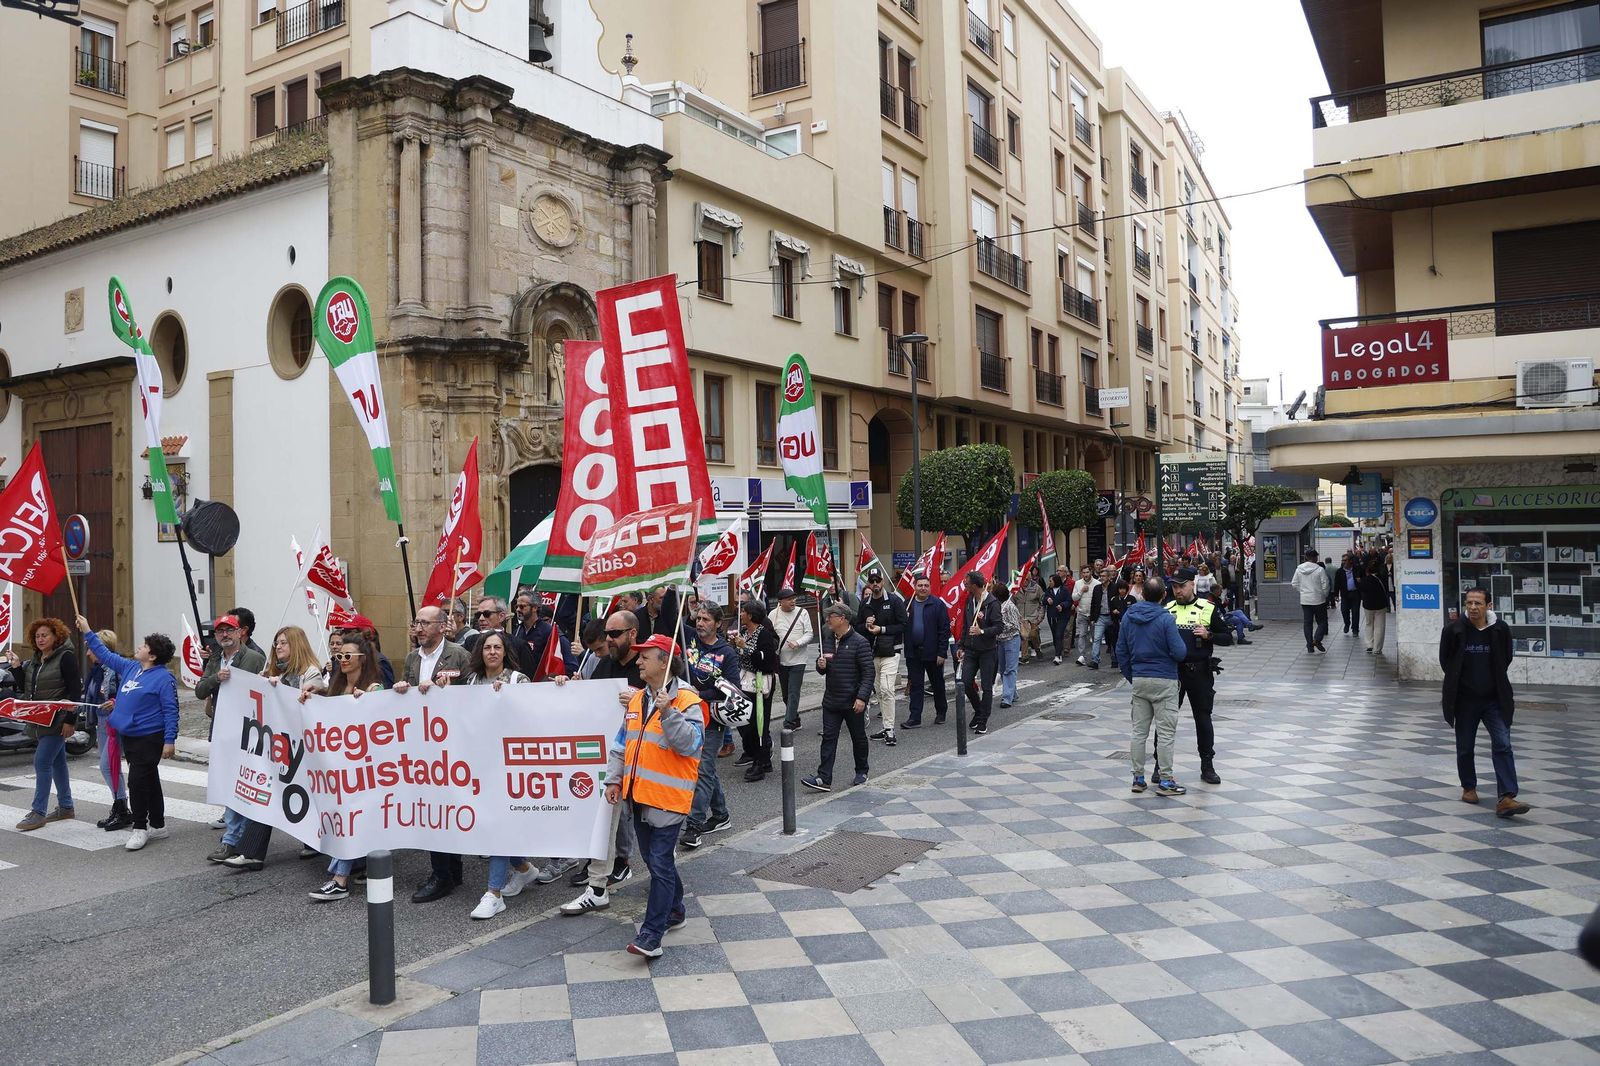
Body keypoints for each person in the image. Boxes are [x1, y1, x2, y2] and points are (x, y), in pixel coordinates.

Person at [604, 634, 705, 958]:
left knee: (659, 863)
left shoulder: (688, 701)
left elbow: (690, 744)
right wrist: (613, 780)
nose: (637, 662)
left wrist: (668, 713)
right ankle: (675, 910)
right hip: (639, 794)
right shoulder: (636, 700)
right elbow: (622, 744)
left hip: (669, 799)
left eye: (644, 657)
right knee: (652, 860)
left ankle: (651, 935)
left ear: (664, 661)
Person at [221, 627, 326, 872]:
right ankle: (252, 851)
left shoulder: (311, 673)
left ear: (296, 645)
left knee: (309, 796)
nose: (278, 647)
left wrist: (282, 691)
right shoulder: (275, 671)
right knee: (270, 792)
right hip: (280, 747)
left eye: (283, 643)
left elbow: (309, 705)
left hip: (304, 748)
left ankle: (315, 842)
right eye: (276, 643)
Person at [76, 617, 179, 850]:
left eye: (144, 646)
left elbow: (171, 710)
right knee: (149, 779)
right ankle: (159, 825)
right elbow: (105, 655)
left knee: (137, 781)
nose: (139, 647)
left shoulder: (164, 678)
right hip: (129, 735)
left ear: (152, 656)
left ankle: (140, 827)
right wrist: (87, 632)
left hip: (149, 736)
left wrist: (169, 740)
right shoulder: (131, 667)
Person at [395, 605, 474, 903]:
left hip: (452, 743)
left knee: (445, 806)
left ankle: (445, 872)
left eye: (425, 623)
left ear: (443, 626)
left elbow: (472, 693)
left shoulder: (459, 655)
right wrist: (402, 688)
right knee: (433, 806)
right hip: (423, 744)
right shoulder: (412, 658)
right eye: (417, 622)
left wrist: (449, 689)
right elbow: (408, 696)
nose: (419, 628)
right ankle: (447, 871)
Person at [304, 633, 383, 900]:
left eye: (347, 656)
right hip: (339, 769)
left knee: (350, 819)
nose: (342, 661)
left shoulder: (373, 689)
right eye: (339, 656)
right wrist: (317, 696)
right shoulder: (336, 688)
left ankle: (340, 879)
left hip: (365, 771)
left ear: (363, 659)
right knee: (345, 819)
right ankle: (352, 869)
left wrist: (370, 704)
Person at [1441, 588, 1529, 819]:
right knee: (1465, 746)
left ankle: (1507, 797)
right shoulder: (1454, 630)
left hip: (1494, 700)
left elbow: (1506, 658)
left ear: (1488, 605)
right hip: (1465, 700)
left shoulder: (1499, 629)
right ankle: (1469, 787)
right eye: (1469, 603)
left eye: (1478, 603)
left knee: (1503, 744)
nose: (1472, 607)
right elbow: (1446, 661)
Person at [1117, 578, 1189, 797]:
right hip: (1164, 679)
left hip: (1139, 679)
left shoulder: (1129, 616)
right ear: (1163, 596)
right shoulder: (1166, 619)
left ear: (1143, 594)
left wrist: (1132, 675)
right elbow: (1179, 653)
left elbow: (1121, 650)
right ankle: (1166, 780)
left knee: (1139, 732)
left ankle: (1138, 778)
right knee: (1166, 733)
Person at [10, 618, 81, 831]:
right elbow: (28, 689)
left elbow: (75, 691)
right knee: (57, 763)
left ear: (55, 636)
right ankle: (66, 807)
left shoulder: (65, 657)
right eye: (37, 636)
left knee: (41, 762)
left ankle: (38, 812)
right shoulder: (37, 659)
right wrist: (16, 668)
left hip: (58, 721)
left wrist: (70, 720)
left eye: (45, 635)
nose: (40, 639)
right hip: (40, 719)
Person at [1166, 568, 1232, 785]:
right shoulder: (1166, 609)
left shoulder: (1208, 608)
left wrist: (1209, 634)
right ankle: (1161, 765)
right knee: (1166, 720)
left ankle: (1207, 766)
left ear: (1192, 584)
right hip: (1173, 672)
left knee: (1202, 718)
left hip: (1199, 671)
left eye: (1181, 586)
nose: (1177, 591)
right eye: (1174, 586)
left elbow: (1227, 637)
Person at [680, 604, 738, 849]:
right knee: (707, 769)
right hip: (686, 714)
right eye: (698, 618)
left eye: (705, 619)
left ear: (717, 623)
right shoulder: (689, 639)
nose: (700, 622)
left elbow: (733, 687)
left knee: (701, 770)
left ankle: (694, 825)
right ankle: (721, 814)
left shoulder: (726, 653)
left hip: (711, 721)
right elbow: (673, 619)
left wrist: (701, 693)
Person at [802, 603, 875, 792]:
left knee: (858, 737)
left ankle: (862, 771)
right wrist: (821, 665)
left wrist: (862, 698)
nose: (827, 620)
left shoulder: (860, 642)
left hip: (852, 701)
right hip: (831, 700)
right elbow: (822, 669)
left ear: (842, 618)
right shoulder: (827, 638)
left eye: (831, 616)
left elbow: (868, 673)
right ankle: (824, 778)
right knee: (828, 738)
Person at [853, 569, 906, 747]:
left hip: (891, 651)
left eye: (878, 580)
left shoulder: (894, 600)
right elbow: (857, 626)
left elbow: (903, 625)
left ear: (882, 582)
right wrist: (865, 625)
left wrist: (881, 629)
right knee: (879, 691)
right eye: (872, 581)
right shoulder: (865, 603)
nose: (875, 584)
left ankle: (890, 729)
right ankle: (885, 726)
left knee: (887, 689)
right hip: (872, 653)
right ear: (868, 583)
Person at [85, 629, 131, 831]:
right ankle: (120, 806)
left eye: (91, 649)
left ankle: (122, 809)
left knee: (107, 766)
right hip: (102, 723)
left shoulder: (118, 669)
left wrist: (115, 702)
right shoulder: (97, 670)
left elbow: (128, 695)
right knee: (111, 768)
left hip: (115, 724)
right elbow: (91, 696)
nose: (88, 653)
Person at [731, 601, 780, 781]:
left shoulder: (764, 634)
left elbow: (765, 660)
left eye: (743, 612)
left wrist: (745, 647)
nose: (740, 614)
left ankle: (759, 763)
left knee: (759, 723)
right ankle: (762, 757)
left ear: (751, 615)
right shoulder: (744, 633)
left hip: (760, 682)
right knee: (746, 722)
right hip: (746, 681)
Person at [901, 574, 950, 728]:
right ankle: (915, 718)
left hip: (933, 653)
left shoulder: (937, 604)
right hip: (913, 653)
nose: (923, 588)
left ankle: (941, 712)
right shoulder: (907, 604)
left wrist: (942, 652)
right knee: (916, 685)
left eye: (926, 585)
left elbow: (944, 630)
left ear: (930, 587)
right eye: (920, 585)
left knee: (937, 684)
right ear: (915, 587)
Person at [957, 572, 1003, 735]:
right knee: (965, 682)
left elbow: (999, 627)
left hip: (987, 651)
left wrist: (982, 631)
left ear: (975, 585)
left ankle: (983, 720)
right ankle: (978, 710)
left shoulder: (992, 603)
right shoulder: (969, 600)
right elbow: (965, 625)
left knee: (986, 687)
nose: (965, 585)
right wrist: (961, 645)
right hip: (970, 650)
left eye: (967, 583)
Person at [771, 588, 813, 730]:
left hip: (798, 659)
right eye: (789, 599)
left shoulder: (803, 613)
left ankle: (788, 723)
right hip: (781, 660)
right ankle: (796, 719)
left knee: (793, 692)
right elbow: (770, 634)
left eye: (794, 598)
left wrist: (798, 642)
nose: (793, 601)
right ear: (780, 602)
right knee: (785, 695)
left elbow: (809, 634)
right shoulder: (773, 614)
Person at [1291, 548, 1331, 653]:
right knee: (1322, 621)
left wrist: (1303, 591)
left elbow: (1294, 584)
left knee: (1307, 623)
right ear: (1314, 557)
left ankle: (1310, 646)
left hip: (1305, 600)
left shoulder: (1299, 569)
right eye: (1316, 556)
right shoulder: (1319, 569)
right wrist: (1324, 594)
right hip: (1319, 600)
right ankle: (1317, 639)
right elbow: (1325, 584)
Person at [995, 583, 1022, 707]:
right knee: (1004, 668)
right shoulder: (996, 606)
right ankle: (1013, 693)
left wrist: (1000, 626)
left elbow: (1015, 625)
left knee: (1010, 669)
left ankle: (1007, 698)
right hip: (1000, 641)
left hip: (1011, 639)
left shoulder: (1010, 606)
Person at [1360, 557, 1391, 656]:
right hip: (1380, 605)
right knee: (1380, 626)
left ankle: (1369, 644)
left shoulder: (1364, 580)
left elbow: (1362, 591)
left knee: (1369, 624)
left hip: (1368, 606)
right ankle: (1377, 648)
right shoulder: (1382, 579)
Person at [1071, 565, 1099, 666]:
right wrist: (1081, 591)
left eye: (1087, 572)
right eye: (1083, 573)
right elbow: (1074, 598)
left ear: (1091, 572)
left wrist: (1095, 614)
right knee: (1082, 634)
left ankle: (1095, 656)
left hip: (1093, 615)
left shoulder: (1097, 583)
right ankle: (1082, 655)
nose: (1085, 575)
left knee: (1095, 636)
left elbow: (1098, 600)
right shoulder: (1078, 583)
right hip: (1082, 613)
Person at [1103, 580, 1133, 669]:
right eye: (1120, 589)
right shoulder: (1114, 599)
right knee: (1115, 643)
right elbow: (1111, 611)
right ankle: (1115, 660)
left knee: (1128, 644)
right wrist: (1114, 611)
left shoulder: (1131, 599)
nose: (1122, 591)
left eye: (1124, 589)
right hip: (1116, 625)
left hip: (1129, 626)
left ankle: (1128, 662)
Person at [1018, 568, 1044, 663]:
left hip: (1033, 617)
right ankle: (1025, 657)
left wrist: (1040, 616)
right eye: (1023, 579)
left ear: (1030, 579)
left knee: (1033, 635)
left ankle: (1037, 648)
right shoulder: (1015, 589)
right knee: (1024, 636)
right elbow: (1012, 602)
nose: (1025, 581)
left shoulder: (1037, 588)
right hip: (1021, 617)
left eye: (1027, 579)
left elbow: (1042, 602)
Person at [1044, 573, 1071, 664]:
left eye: (1051, 581)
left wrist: (1062, 605)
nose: (1049, 582)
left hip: (1062, 616)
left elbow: (1069, 601)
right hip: (1052, 616)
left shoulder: (1064, 590)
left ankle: (1057, 655)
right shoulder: (1049, 590)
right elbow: (1043, 600)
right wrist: (1047, 599)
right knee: (1055, 635)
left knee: (1059, 634)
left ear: (1056, 581)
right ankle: (1058, 650)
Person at [1337, 554, 1362, 637]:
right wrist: (1336, 595)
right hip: (1345, 594)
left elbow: (1363, 579)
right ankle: (1347, 623)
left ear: (1350, 561)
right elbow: (1337, 584)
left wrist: (1360, 581)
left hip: (1355, 594)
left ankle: (1355, 629)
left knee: (1355, 612)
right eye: (1342, 560)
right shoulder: (1340, 571)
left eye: (1345, 560)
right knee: (1344, 611)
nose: (1343, 562)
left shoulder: (1356, 569)